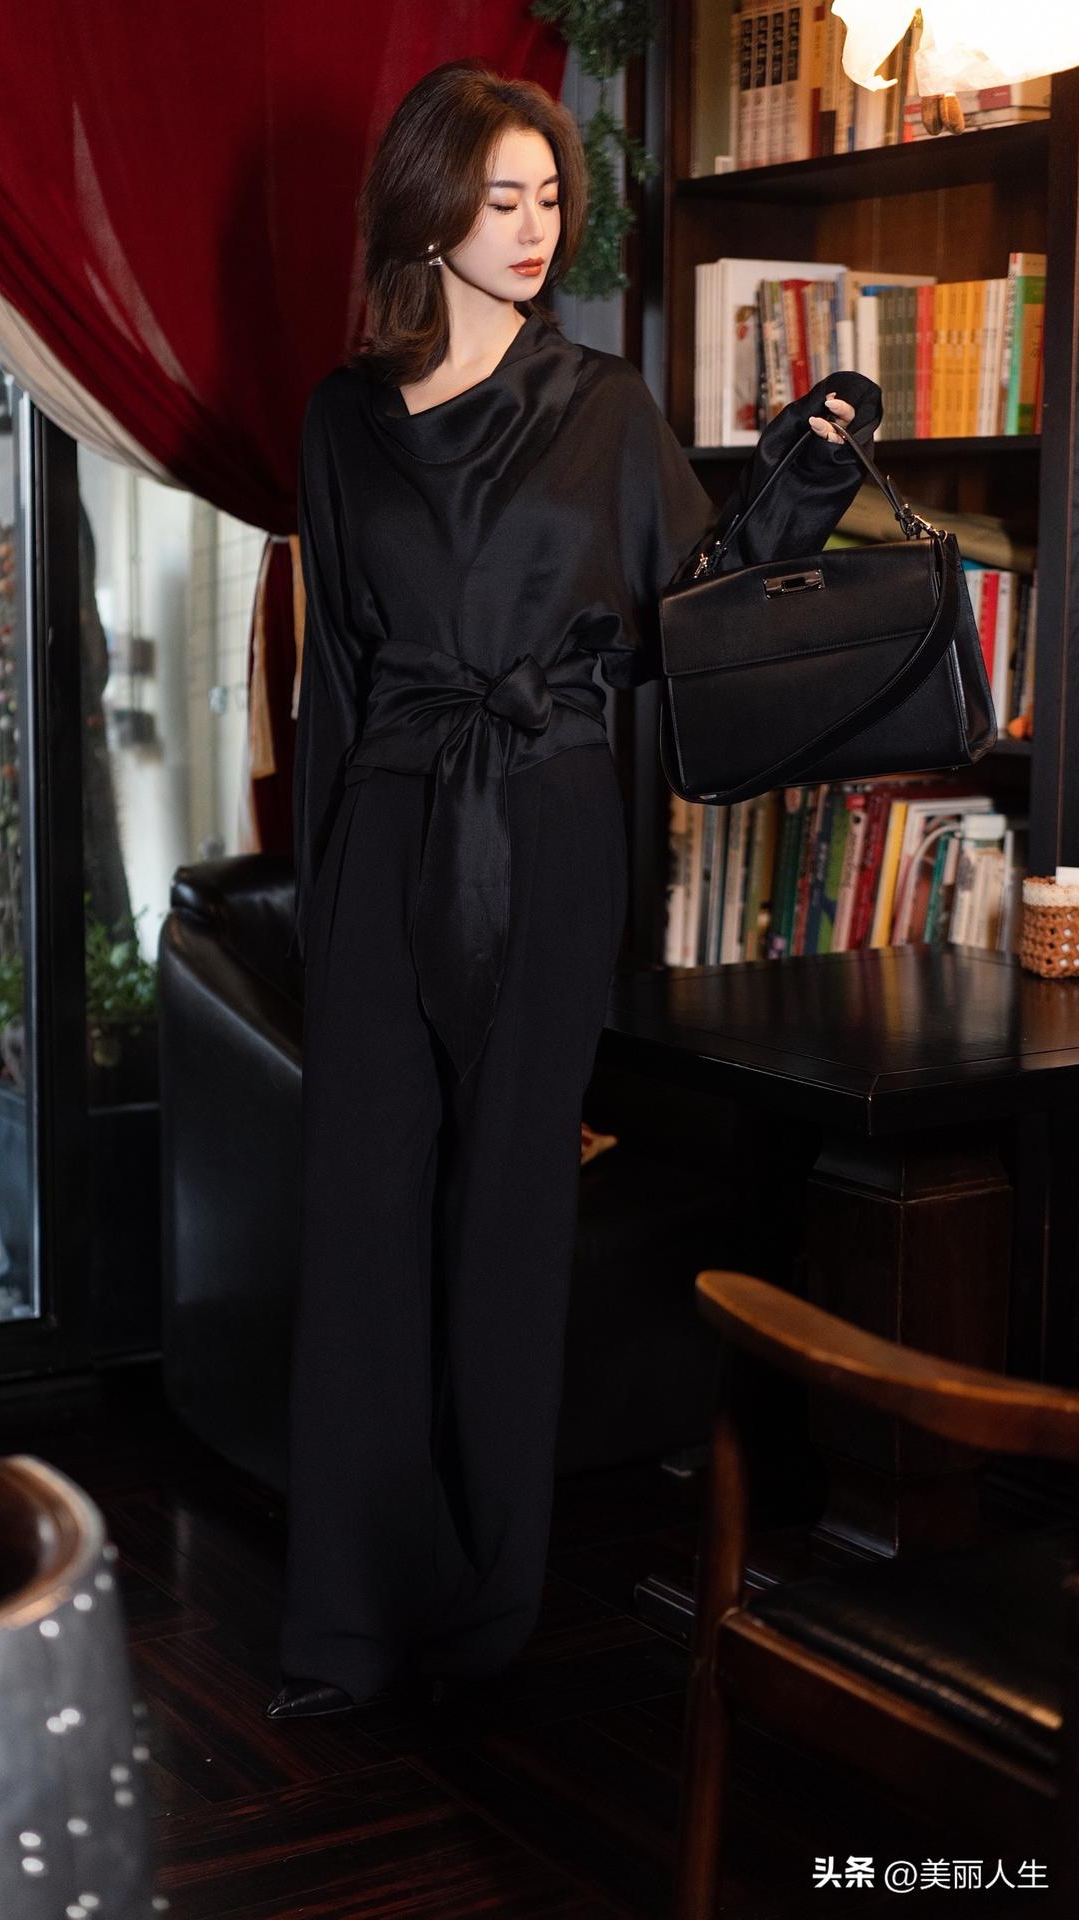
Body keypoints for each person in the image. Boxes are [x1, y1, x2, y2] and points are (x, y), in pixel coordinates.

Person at [268, 59, 881, 1720]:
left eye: (551, 198)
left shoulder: (605, 405)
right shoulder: (340, 419)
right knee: (365, 1226)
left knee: (510, 1226)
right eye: (501, 197)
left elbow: (704, 614)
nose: (533, 228)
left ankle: (483, 1615)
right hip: (389, 832)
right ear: (428, 209)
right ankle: (345, 1628)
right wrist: (325, 906)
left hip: (547, 834)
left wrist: (803, 484)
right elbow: (333, 684)